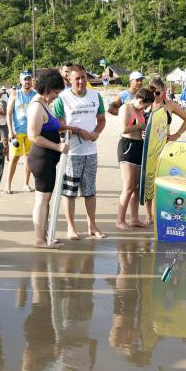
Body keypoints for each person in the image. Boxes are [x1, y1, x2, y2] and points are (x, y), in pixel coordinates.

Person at [53, 64, 106, 240]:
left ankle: (92, 225)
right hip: (71, 152)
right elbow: (59, 126)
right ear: (69, 79)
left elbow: (101, 119)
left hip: (90, 151)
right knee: (69, 192)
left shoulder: (95, 96)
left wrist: (97, 132)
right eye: (77, 78)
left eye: (83, 77)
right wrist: (76, 130)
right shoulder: (62, 98)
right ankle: (71, 227)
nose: (81, 81)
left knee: (90, 190)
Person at [26, 69, 69, 248]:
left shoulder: (43, 103)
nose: (55, 97)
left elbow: (47, 129)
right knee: (42, 200)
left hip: (48, 159)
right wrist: (57, 146)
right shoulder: (36, 106)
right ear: (47, 88)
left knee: (46, 199)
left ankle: (46, 234)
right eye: (55, 93)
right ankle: (39, 239)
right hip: (41, 159)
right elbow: (33, 136)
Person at [116, 88, 153, 230]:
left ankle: (134, 218)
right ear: (139, 100)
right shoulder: (126, 107)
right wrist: (140, 126)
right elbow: (123, 129)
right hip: (127, 147)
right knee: (128, 186)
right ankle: (120, 220)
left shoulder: (139, 111)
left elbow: (139, 129)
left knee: (136, 188)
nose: (144, 109)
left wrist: (143, 132)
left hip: (139, 146)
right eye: (144, 105)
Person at [5, 71, 36, 193]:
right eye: (25, 79)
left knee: (29, 158)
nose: (27, 81)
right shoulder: (15, 94)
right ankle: (8, 185)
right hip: (17, 132)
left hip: (31, 131)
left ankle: (26, 183)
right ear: (20, 81)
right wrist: (10, 130)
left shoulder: (35, 95)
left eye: (29, 79)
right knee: (14, 158)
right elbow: (8, 113)